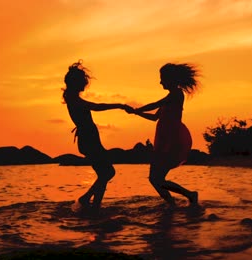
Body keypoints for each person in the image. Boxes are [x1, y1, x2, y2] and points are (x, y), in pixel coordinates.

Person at [62, 61, 132, 210]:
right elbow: (96, 107)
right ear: (76, 82)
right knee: (108, 172)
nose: (85, 84)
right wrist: (119, 105)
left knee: (104, 173)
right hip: (89, 140)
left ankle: (95, 206)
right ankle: (86, 198)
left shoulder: (71, 97)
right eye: (83, 81)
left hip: (89, 139)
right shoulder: (74, 99)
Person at [130, 63, 200, 206]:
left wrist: (137, 109)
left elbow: (155, 104)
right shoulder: (170, 97)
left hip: (171, 141)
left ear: (171, 79)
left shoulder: (176, 94)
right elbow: (155, 117)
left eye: (162, 78)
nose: (160, 82)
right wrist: (138, 113)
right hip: (163, 140)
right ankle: (174, 203)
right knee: (155, 179)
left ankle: (187, 196)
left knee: (156, 179)